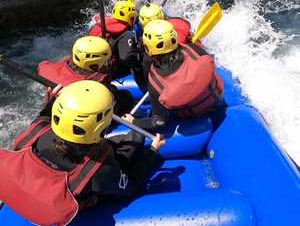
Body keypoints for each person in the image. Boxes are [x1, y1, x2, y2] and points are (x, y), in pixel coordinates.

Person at [0, 80, 165, 226]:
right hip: (81, 193)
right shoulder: (99, 169)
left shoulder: (35, 130)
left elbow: (44, 115)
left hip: (38, 183)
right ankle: (138, 138)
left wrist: (53, 101)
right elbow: (131, 186)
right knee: (135, 139)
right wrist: (152, 151)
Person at [123, 20, 224, 133]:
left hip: (191, 117)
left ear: (148, 48)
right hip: (217, 100)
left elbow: (159, 122)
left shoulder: (155, 81)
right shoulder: (193, 49)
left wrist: (133, 122)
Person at [38, 36, 132, 116]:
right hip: (80, 116)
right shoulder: (94, 85)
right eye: (106, 61)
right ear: (93, 65)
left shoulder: (51, 69)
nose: (108, 63)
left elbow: (42, 65)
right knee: (125, 97)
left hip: (53, 111)